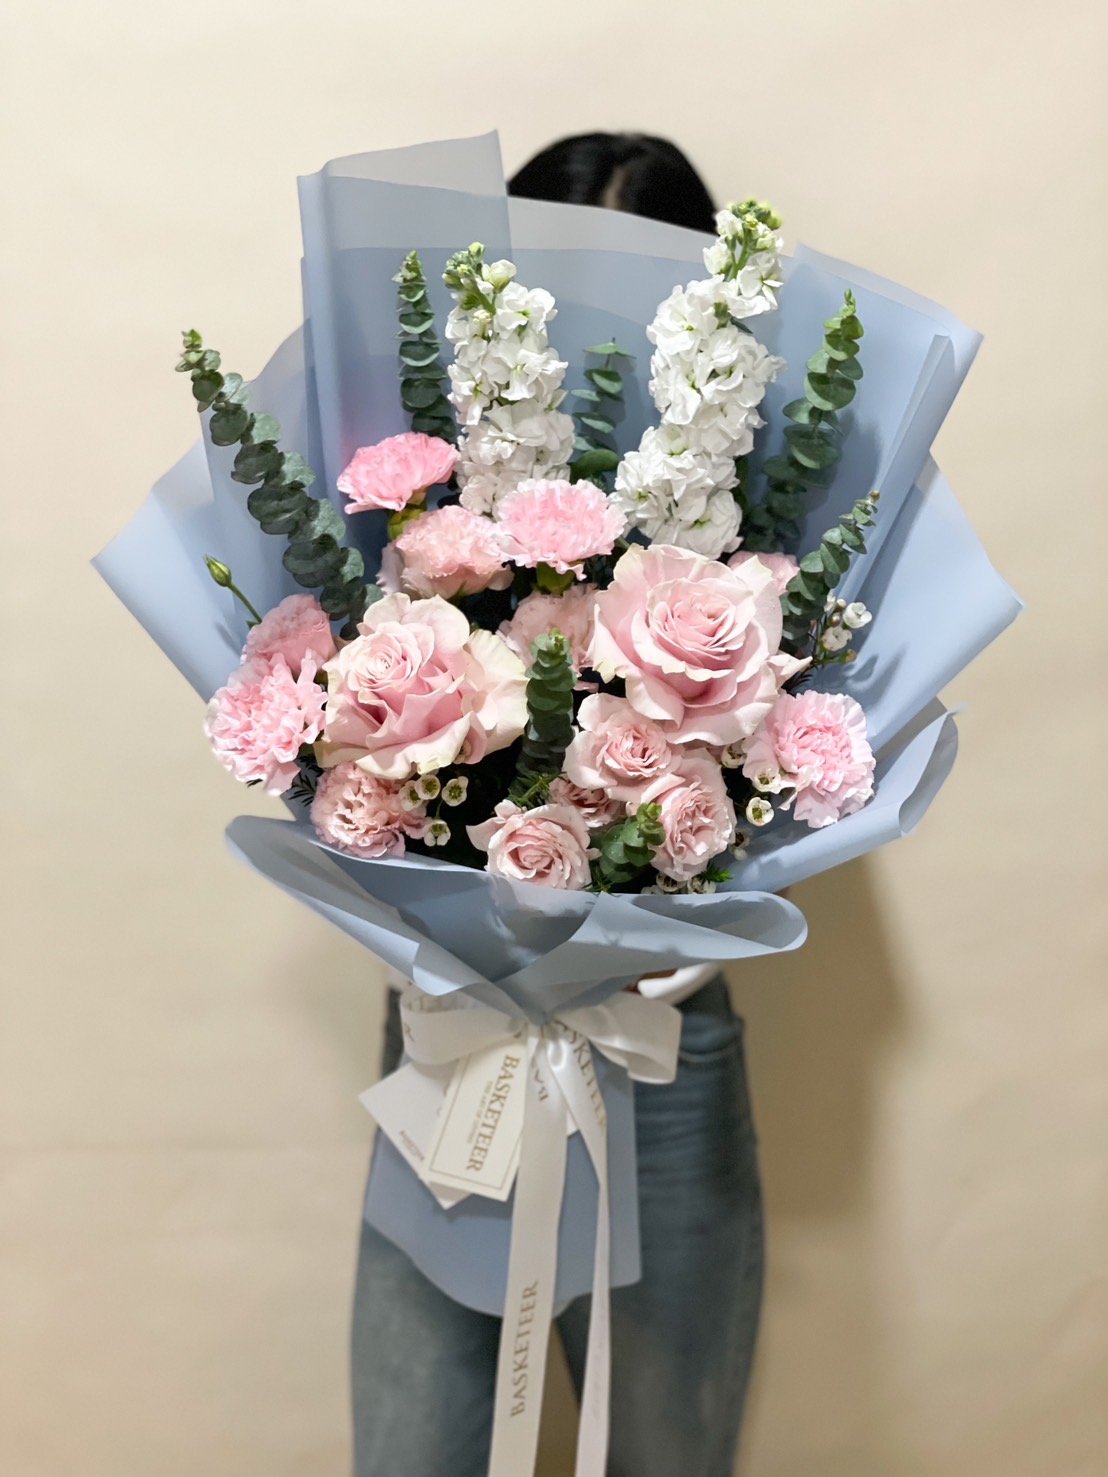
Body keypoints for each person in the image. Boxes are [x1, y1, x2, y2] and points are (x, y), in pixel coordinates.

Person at [350, 134, 764, 1477]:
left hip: (662, 1038)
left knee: (666, 1451)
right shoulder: (430, 517)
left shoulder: (753, 542)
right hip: (462, 1025)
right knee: (416, 1449)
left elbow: (821, 755)